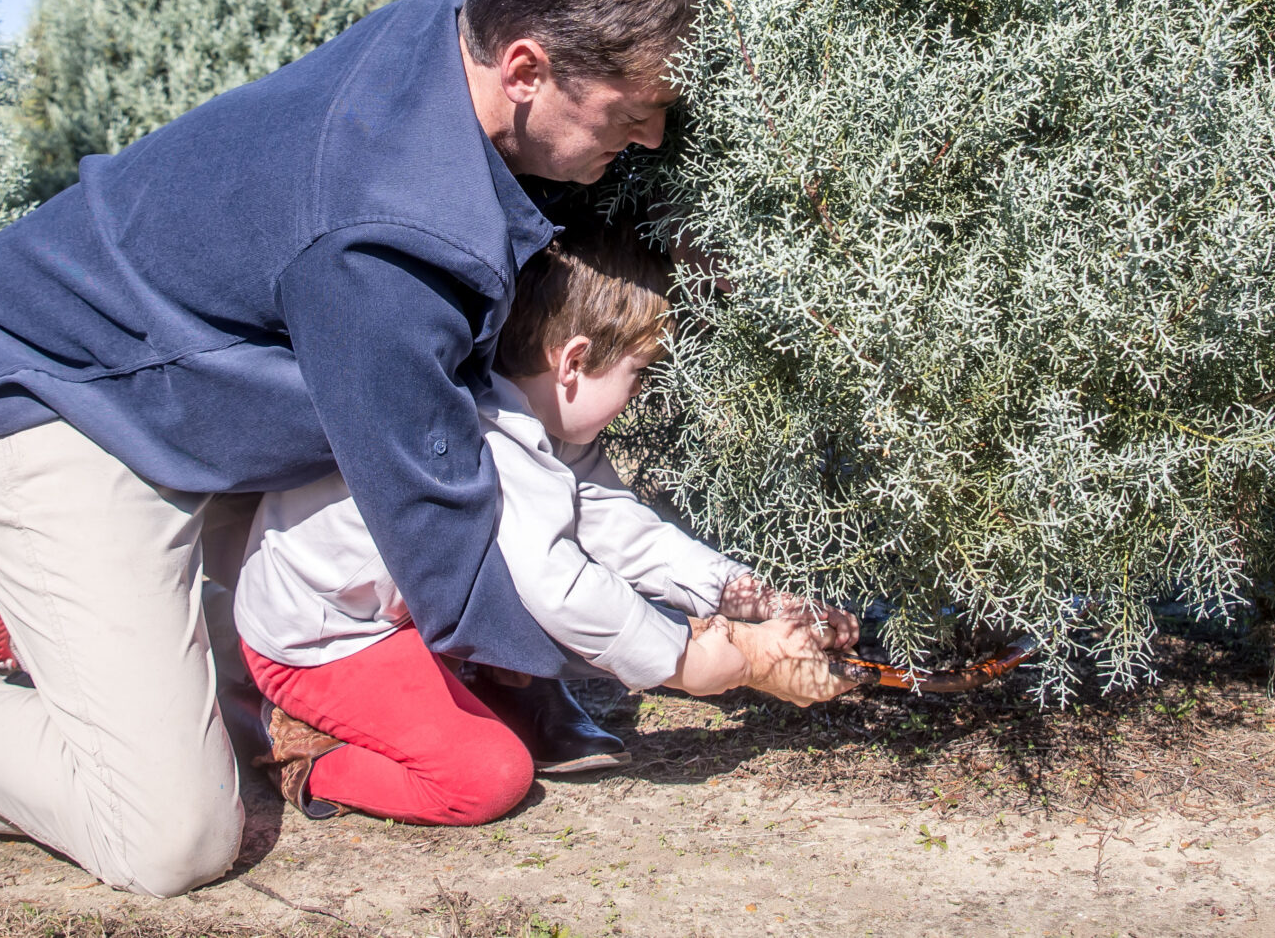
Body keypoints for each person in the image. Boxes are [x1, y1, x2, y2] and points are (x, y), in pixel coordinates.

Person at [0, 0, 700, 896]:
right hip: (57, 403)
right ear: (525, 65)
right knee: (172, 837)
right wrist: (648, 657)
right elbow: (443, 526)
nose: (648, 137)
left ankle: (35, 605)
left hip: (182, 402)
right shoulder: (386, 231)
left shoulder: (460, 30)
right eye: (634, 108)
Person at [232, 221, 860, 826]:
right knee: (485, 777)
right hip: (324, 641)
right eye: (639, 373)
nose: (642, 395)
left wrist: (753, 600)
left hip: (405, 614)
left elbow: (620, 527)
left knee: (530, 605)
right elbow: (557, 583)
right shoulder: (487, 439)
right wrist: (697, 660)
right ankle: (307, 754)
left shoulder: (541, 420)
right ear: (574, 361)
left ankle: (482, 683)